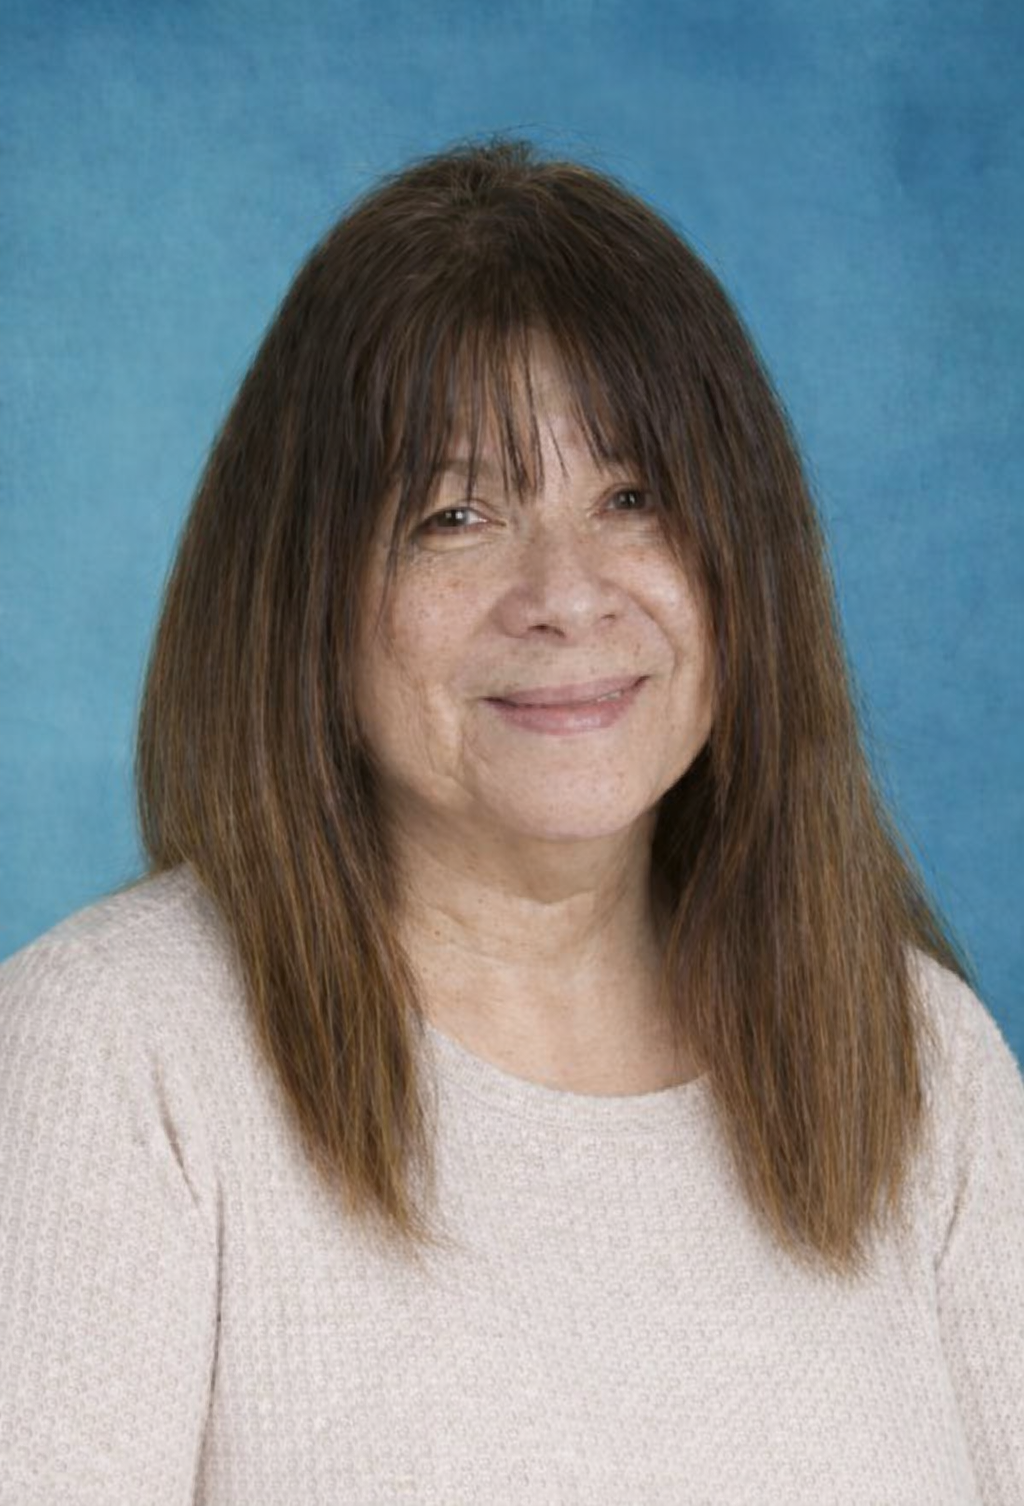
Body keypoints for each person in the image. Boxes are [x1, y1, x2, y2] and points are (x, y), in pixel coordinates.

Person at [1, 138, 1022, 1505]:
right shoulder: (116, 1059)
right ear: (301, 592)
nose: (566, 592)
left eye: (633, 497)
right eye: (456, 513)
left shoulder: (924, 1066)